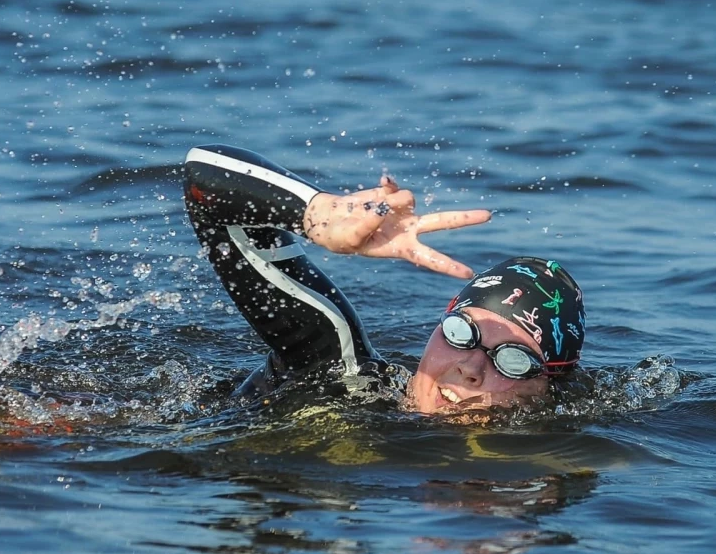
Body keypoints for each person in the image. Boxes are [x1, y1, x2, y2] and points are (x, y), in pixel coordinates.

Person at [183, 145, 585, 415]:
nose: (471, 368)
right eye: (461, 333)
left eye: (513, 360)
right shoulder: (344, 382)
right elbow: (203, 172)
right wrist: (316, 215)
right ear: (440, 323)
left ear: (549, 387)